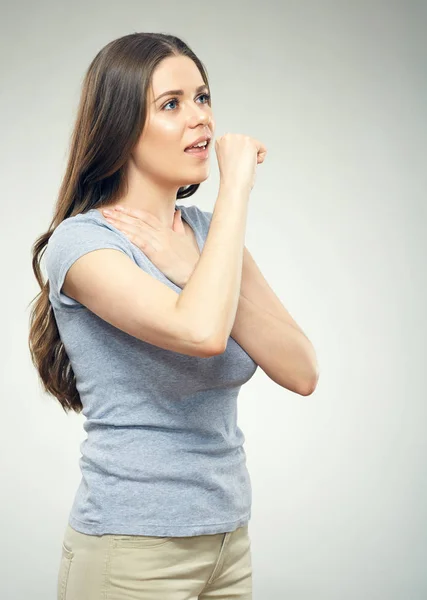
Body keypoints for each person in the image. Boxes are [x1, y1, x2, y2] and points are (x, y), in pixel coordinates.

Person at [28, 31, 276, 600]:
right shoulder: (82, 244)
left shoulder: (207, 235)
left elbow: (302, 369)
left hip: (227, 542)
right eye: (172, 104)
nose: (201, 119)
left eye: (203, 97)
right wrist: (236, 187)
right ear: (120, 127)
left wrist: (193, 266)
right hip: (131, 550)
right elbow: (201, 332)